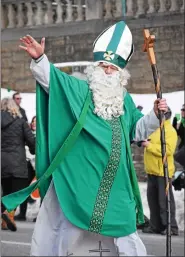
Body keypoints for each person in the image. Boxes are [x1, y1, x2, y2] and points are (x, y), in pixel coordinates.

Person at [2, 21, 168, 256]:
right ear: (95, 68)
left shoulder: (125, 100)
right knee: (71, 233)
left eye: (112, 68)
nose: (107, 71)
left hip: (115, 183)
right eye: (102, 66)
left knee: (125, 230)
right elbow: (54, 81)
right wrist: (40, 60)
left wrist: (156, 114)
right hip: (81, 179)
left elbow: (137, 131)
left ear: (120, 73)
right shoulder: (81, 90)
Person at [141, 108, 179, 235]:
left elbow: (168, 150)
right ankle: (155, 226)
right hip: (152, 170)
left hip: (163, 171)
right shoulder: (154, 128)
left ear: (165, 115)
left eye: (159, 114)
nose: (156, 115)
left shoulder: (170, 131)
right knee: (152, 200)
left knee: (165, 202)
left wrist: (149, 146)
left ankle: (171, 227)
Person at [1, 98, 35, 231]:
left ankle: (5, 220)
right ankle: (8, 215)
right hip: (17, 162)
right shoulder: (21, 122)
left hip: (2, 162)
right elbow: (31, 141)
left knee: (6, 190)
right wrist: (33, 149)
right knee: (17, 192)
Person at [14, 116, 37, 221]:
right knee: (24, 188)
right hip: (28, 163)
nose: (34, 123)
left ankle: (41, 216)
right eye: (33, 121)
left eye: (36, 122)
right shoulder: (27, 134)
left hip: (38, 164)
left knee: (42, 189)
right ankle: (22, 214)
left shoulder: (42, 134)